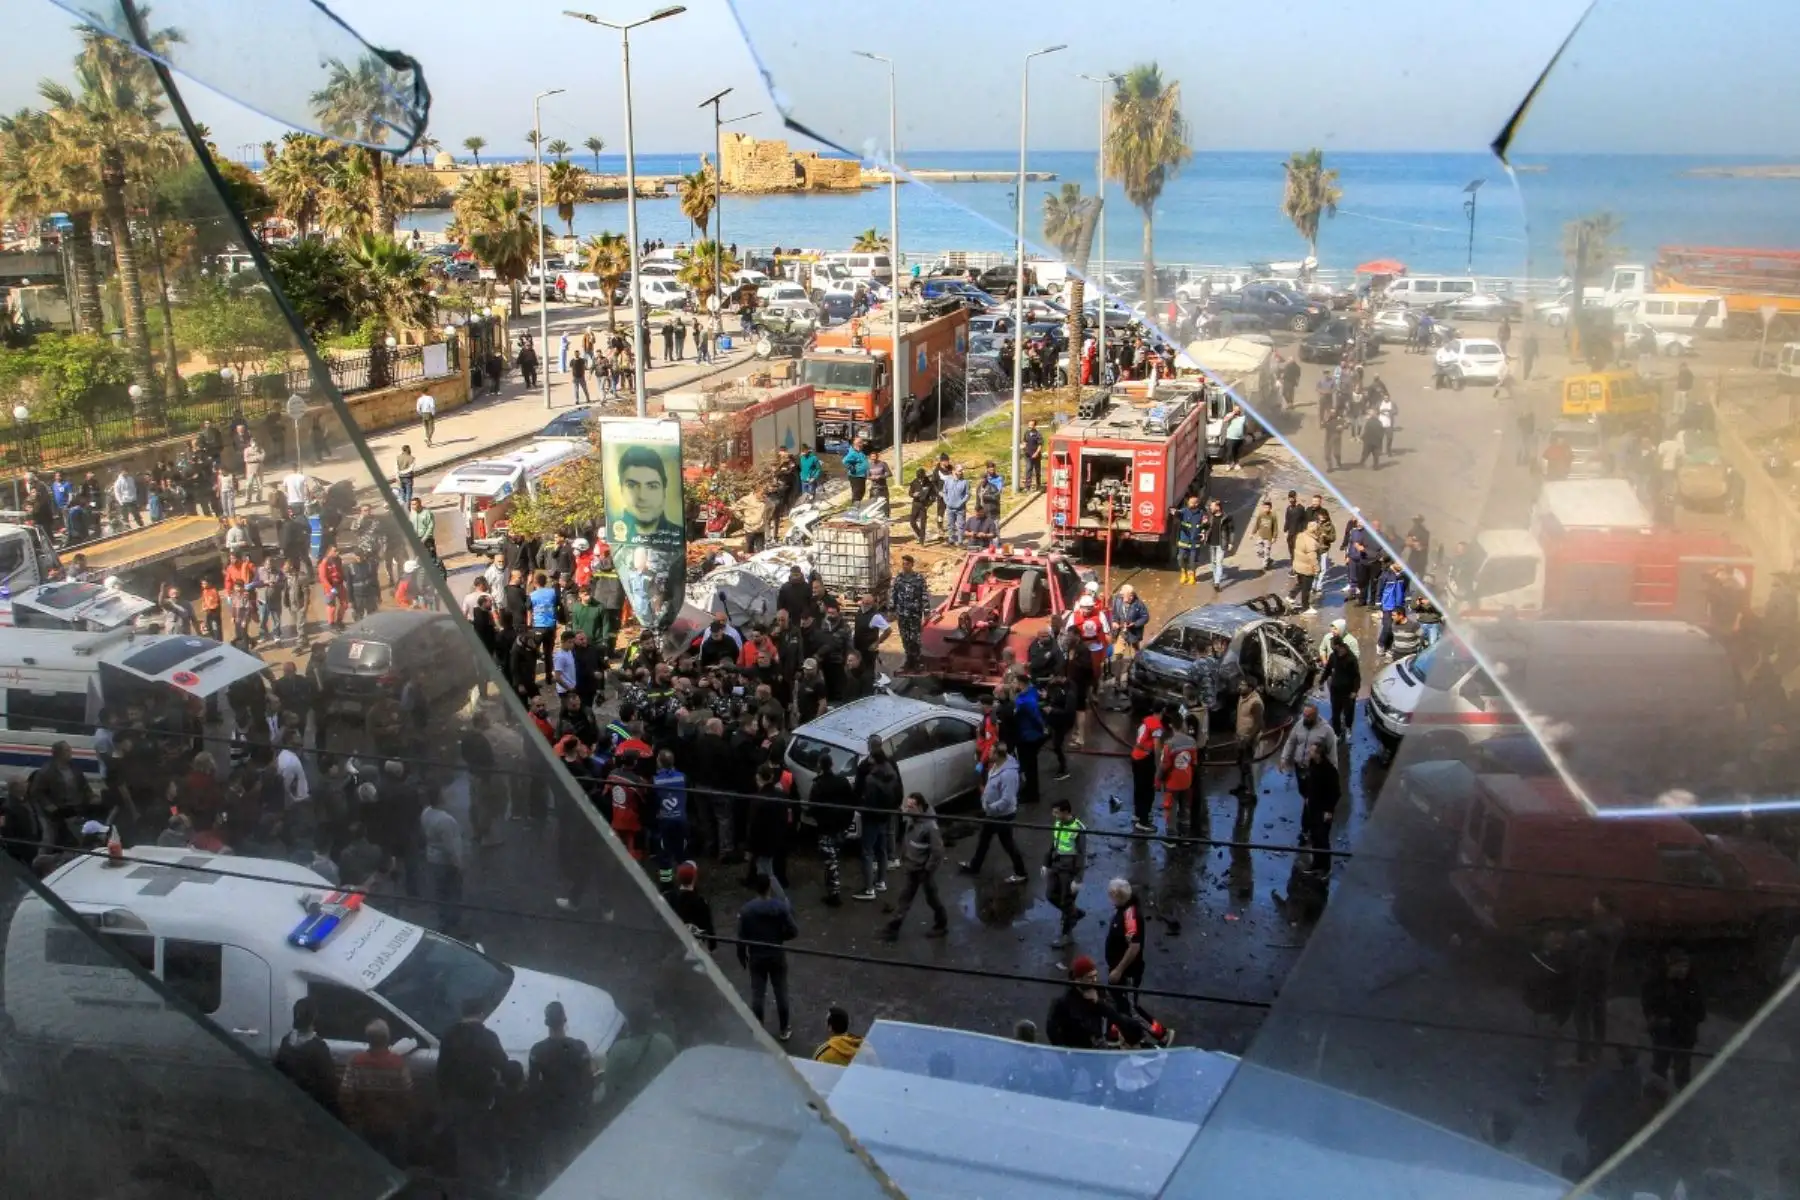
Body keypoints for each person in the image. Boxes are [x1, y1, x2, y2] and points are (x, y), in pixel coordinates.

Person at [437, 995, 508, 1182]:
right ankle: (499, 1178)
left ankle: (469, 1184)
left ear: (462, 1013)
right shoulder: (488, 1037)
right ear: (482, 1013)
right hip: (483, 1100)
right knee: (490, 1139)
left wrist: (446, 1099)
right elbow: (503, 1064)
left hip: (457, 1100)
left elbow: (442, 1071)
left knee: (465, 1144)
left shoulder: (449, 1036)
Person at [339, 1019, 413, 1166]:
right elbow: (407, 1093)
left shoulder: (356, 1062)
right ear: (387, 1038)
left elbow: (346, 1092)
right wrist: (404, 1116)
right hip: (392, 1122)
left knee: (368, 1162)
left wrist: (353, 1115)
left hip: (366, 1121)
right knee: (395, 1161)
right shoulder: (397, 1063)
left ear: (368, 1039)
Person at [528, 1000, 594, 1166]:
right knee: (575, 1156)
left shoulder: (538, 1050)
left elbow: (533, 1086)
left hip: (550, 1112)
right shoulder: (579, 1047)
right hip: (574, 1109)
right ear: (565, 1020)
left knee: (554, 1160)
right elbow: (588, 1080)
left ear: (546, 1022)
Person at [737, 873, 799, 1041]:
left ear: (756, 888)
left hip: (757, 956)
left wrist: (742, 956)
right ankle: (784, 1028)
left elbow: (741, 937)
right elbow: (794, 931)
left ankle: (758, 1029)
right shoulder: (780, 907)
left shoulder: (747, 910)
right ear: (769, 888)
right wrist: (780, 938)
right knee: (781, 992)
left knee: (758, 994)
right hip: (776, 954)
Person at [882, 793, 949, 941]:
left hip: (923, 871)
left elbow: (937, 851)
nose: (907, 809)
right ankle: (892, 929)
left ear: (919, 806)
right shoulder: (913, 821)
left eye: (910, 806)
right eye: (907, 805)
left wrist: (928, 869)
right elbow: (908, 842)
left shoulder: (930, 827)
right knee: (904, 898)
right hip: (913, 868)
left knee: (932, 898)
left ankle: (941, 924)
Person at [960, 742, 1027, 882]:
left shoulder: (1008, 774)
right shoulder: (997, 766)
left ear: (998, 755)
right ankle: (974, 866)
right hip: (992, 813)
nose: (988, 753)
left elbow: (1007, 799)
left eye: (991, 751)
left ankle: (1021, 873)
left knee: (1007, 844)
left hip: (1001, 815)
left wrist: (991, 807)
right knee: (984, 840)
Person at [1641, 946, 1705, 1088]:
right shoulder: (1658, 983)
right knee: (1659, 1067)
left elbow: (1700, 1012)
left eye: (1685, 966)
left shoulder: (1693, 985)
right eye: (1679, 966)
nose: (1682, 970)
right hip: (1663, 1033)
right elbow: (1649, 1003)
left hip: (1684, 1033)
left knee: (1682, 1071)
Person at [1046, 956, 1142, 1049]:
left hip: (1097, 1046)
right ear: (1078, 980)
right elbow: (1051, 1029)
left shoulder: (1100, 991)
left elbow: (1115, 1015)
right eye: (1090, 977)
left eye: (1095, 976)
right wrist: (1064, 1051)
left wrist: (1098, 1002)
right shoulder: (1064, 1002)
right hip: (1077, 1049)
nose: (1094, 980)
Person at [273, 997, 340, 1116]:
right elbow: (328, 1086)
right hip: (310, 1110)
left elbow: (277, 1072)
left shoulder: (286, 1042)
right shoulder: (319, 1047)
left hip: (287, 1105)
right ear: (314, 1017)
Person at [1044, 798, 1087, 949]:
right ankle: (1074, 913)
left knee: (1066, 901)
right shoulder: (1058, 823)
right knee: (1050, 895)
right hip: (1056, 866)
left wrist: (1078, 879)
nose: (1053, 815)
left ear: (1065, 812)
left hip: (1069, 871)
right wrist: (1046, 863)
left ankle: (1066, 935)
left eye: (1056, 812)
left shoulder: (1078, 828)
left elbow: (1081, 854)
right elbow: (1054, 844)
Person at [1128, 705, 1164, 834]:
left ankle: (1138, 814)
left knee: (1138, 787)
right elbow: (1157, 744)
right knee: (1148, 790)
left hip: (1135, 756)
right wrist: (1159, 763)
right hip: (1145, 759)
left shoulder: (1146, 720)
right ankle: (1143, 821)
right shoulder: (1157, 725)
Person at [892, 555, 928, 671]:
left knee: (915, 638)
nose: (904, 566)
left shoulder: (919, 578)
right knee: (905, 638)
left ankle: (916, 661)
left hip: (914, 614)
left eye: (907, 564)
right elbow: (893, 595)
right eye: (903, 564)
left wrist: (926, 611)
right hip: (902, 614)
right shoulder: (899, 578)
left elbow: (924, 595)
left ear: (912, 564)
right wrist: (891, 609)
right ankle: (908, 660)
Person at [1201, 498, 1234, 592]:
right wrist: (1203, 524)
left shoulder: (1227, 517)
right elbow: (1206, 527)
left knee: (1219, 562)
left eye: (1212, 506)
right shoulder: (1210, 516)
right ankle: (1216, 577)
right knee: (1213, 563)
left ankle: (1217, 582)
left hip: (1221, 544)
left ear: (1218, 507)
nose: (1211, 508)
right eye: (1210, 506)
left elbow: (1231, 531)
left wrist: (1231, 542)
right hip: (1211, 542)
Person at [1173, 494, 1207, 585]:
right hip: (1184, 541)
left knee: (1192, 561)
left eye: (1191, 502)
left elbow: (1205, 526)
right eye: (1189, 502)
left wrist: (1204, 531)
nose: (1189, 503)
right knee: (1180, 558)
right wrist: (1174, 512)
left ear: (1196, 504)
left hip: (1195, 542)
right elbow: (1177, 514)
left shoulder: (1201, 513)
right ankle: (1184, 573)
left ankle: (1192, 576)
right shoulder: (1184, 511)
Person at [940, 464, 970, 546]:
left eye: (962, 470)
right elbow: (944, 492)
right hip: (950, 507)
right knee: (950, 524)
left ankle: (960, 541)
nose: (962, 472)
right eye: (960, 470)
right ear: (954, 471)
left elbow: (967, 494)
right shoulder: (948, 481)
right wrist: (947, 501)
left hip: (960, 508)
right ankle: (951, 540)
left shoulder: (965, 482)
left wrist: (961, 502)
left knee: (961, 525)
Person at [841, 436, 870, 503]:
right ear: (854, 444)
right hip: (856, 476)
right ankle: (854, 508)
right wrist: (852, 468)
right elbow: (845, 461)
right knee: (857, 493)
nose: (861, 444)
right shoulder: (853, 453)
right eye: (859, 442)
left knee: (861, 492)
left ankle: (857, 506)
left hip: (862, 475)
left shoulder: (860, 452)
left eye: (861, 442)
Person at [1022, 418, 1044, 491]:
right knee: (1028, 470)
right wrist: (1024, 447)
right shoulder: (1026, 433)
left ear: (1035, 426)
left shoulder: (1038, 434)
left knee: (1037, 471)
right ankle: (1027, 486)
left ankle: (1038, 485)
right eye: (1029, 424)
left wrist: (1036, 453)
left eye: (1031, 425)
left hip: (1036, 456)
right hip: (1028, 455)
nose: (1030, 426)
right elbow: (1025, 441)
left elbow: (1040, 445)